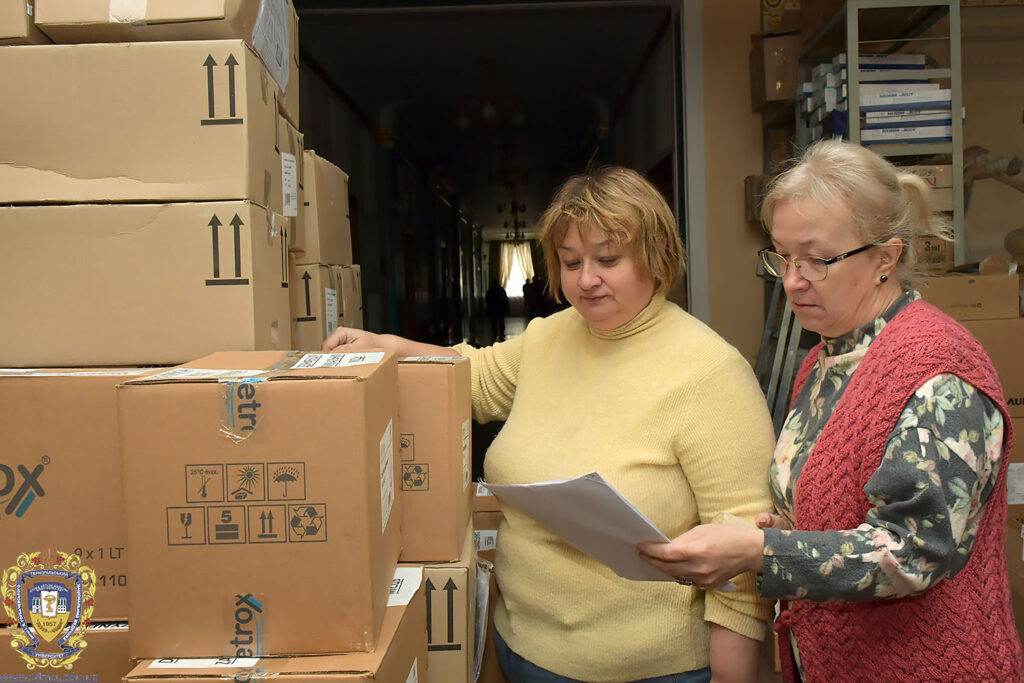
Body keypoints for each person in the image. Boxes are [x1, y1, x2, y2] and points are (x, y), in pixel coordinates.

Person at [322, 166, 776, 683]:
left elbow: (742, 547)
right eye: (571, 261)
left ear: (657, 257)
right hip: (519, 646)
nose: (586, 279)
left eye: (608, 259)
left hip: (647, 670)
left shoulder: (710, 372)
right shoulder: (548, 338)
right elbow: (473, 376)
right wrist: (389, 346)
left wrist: (732, 676)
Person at [638, 140, 1024, 682]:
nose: (792, 280)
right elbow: (839, 508)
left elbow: (913, 552)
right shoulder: (825, 359)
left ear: (886, 257)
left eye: (816, 260)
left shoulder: (939, 373)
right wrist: (783, 528)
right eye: (783, 256)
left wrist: (762, 550)